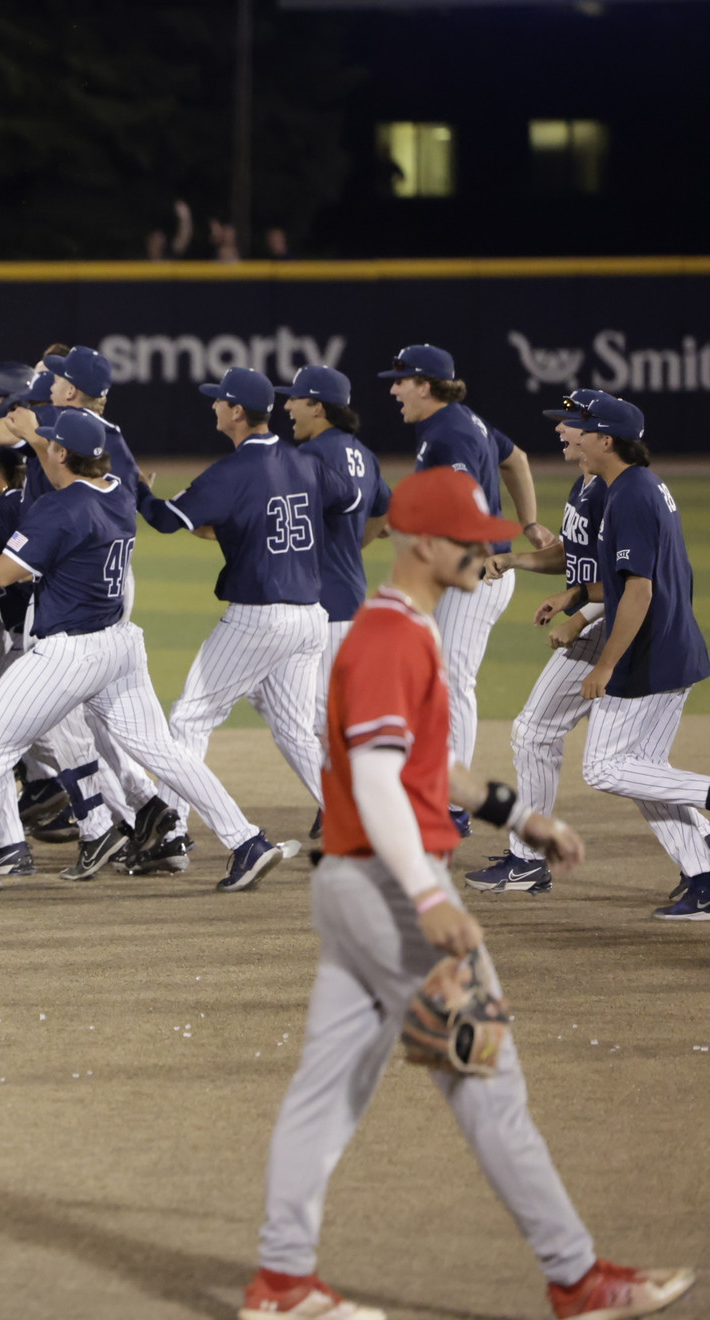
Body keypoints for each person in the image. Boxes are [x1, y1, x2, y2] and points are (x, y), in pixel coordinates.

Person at [242, 464, 694, 1320]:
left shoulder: (403, 632)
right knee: (491, 1085)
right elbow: (377, 780)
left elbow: (424, 768)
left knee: (328, 1090)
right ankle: (576, 1278)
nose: (487, 557)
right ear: (421, 543)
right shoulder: (389, 638)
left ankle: (281, 1282)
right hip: (390, 894)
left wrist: (522, 817)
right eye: (471, 544)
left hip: (358, 888)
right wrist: (431, 897)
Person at [0, 409, 289, 894]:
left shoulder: (57, 510)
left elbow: (2, 573)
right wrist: (45, 445)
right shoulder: (119, 491)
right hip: (120, 649)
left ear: (62, 453)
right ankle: (246, 840)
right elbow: (69, 476)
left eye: (49, 444)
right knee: (162, 751)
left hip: (68, 656)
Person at [135, 367, 354, 876]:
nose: (213, 407)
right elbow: (346, 500)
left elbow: (169, 519)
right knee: (294, 729)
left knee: (189, 720)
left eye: (219, 401)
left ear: (236, 411)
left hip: (260, 618)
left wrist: (139, 493)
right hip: (310, 619)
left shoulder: (231, 473)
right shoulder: (304, 461)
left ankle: (171, 833)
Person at [381, 344, 547, 833]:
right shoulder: (460, 421)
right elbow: (514, 458)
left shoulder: (449, 435)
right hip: (475, 570)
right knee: (441, 681)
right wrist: (531, 522)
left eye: (400, 380)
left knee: (453, 684)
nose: (393, 390)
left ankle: (452, 807)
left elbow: (459, 509)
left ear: (426, 385)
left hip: (477, 575)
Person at [556, 394, 710, 919]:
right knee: (648, 776)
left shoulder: (631, 496)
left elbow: (639, 593)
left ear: (605, 439)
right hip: (673, 647)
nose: (569, 433)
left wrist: (604, 665)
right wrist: (576, 602)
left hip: (652, 656)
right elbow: (624, 587)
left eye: (580, 427)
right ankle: (704, 877)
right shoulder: (639, 488)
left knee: (603, 768)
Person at [466, 391, 613, 895]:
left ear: (599, 434)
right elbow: (573, 555)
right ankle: (699, 862)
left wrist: (578, 614)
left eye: (570, 424)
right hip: (599, 620)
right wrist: (516, 560)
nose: (560, 430)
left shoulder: (616, 491)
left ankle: (528, 860)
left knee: (539, 735)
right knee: (629, 764)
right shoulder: (586, 485)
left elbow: (628, 581)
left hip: (608, 626)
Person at [278, 364, 390, 753]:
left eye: (295, 399)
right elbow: (382, 510)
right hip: (349, 595)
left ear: (318, 407)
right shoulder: (364, 455)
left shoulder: (308, 456)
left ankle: (344, 810)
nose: (288, 406)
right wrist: (354, 543)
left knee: (321, 719)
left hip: (324, 605)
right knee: (321, 714)